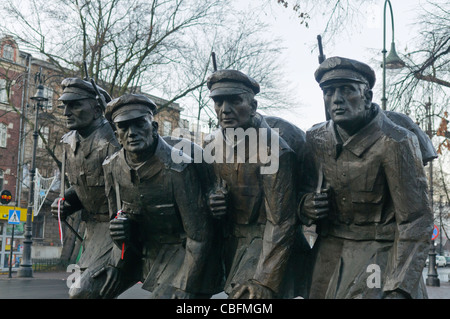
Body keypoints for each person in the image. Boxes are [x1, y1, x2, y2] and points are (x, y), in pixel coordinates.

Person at [299, 56, 433, 299]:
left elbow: (416, 220)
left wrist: (399, 286)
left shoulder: (396, 141)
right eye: (328, 92)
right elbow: (303, 191)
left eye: (347, 90)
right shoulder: (316, 138)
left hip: (380, 249)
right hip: (329, 250)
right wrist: (307, 205)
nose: (336, 99)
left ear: (367, 97)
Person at [103, 93, 220, 298]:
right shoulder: (112, 166)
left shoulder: (179, 168)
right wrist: (118, 241)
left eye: (140, 124)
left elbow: (199, 237)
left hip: (183, 255)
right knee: (84, 291)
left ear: (154, 128)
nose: (132, 133)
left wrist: (187, 286)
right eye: (124, 127)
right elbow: (117, 216)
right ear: (117, 134)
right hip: (143, 253)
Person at [205, 69, 305, 299]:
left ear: (253, 106)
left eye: (235, 101)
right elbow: (208, 192)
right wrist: (212, 202)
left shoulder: (274, 150)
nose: (225, 110)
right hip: (230, 246)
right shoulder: (211, 143)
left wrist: (264, 280)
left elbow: (281, 222)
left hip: (266, 246)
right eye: (218, 102)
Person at [50, 77, 122, 298]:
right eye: (65, 106)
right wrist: (67, 202)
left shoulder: (114, 144)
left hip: (118, 233)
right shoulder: (68, 143)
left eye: (75, 105)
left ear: (97, 109)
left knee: (82, 293)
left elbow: (131, 192)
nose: (66, 113)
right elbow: (83, 186)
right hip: (93, 233)